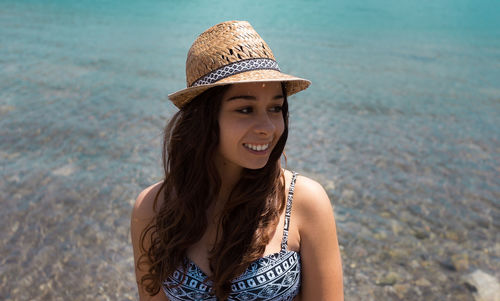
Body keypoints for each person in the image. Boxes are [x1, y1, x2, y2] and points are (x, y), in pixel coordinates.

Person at [130, 20, 343, 301]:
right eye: (245, 109)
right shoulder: (153, 208)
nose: (267, 127)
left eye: (275, 108)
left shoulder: (305, 201)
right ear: (204, 119)